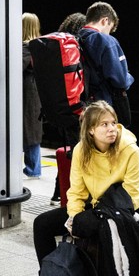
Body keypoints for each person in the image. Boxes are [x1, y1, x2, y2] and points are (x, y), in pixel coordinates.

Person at [25, 100, 139, 276]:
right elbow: (76, 192)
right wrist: (73, 217)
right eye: (104, 124)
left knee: (106, 227)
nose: (112, 128)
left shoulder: (130, 150)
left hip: (123, 209)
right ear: (91, 129)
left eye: (113, 122)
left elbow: (134, 195)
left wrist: (100, 212)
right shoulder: (82, 150)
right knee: (42, 224)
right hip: (91, 206)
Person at [49, 12, 87, 205]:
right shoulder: (76, 48)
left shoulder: (58, 49)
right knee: (79, 154)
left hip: (60, 108)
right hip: (77, 110)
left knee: (70, 152)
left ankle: (59, 192)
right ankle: (73, 197)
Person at [77, 2, 134, 126]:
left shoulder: (74, 39)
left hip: (80, 107)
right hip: (102, 107)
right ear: (105, 20)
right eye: (109, 28)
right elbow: (121, 80)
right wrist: (129, 77)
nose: (108, 33)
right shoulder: (106, 41)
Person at [22, 12, 43, 179]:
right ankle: (33, 168)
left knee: (28, 130)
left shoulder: (25, 48)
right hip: (37, 92)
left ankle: (33, 169)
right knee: (33, 130)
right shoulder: (40, 45)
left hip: (26, 93)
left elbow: (16, 69)